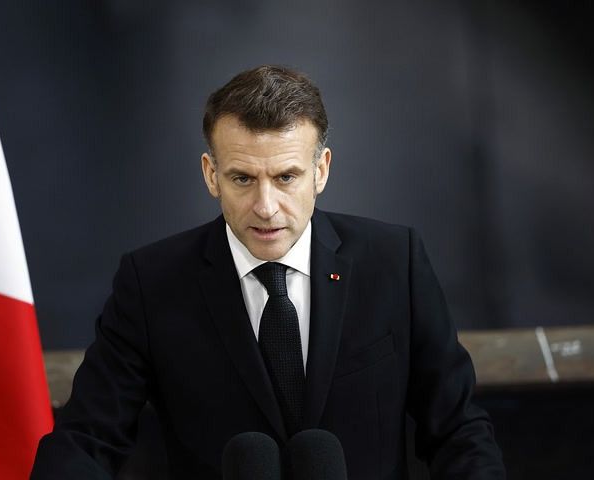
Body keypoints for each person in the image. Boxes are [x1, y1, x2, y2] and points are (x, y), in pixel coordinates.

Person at [31, 65, 505, 479]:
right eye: (242, 178)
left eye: (286, 177)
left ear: (321, 171)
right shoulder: (151, 282)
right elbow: (87, 440)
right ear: (211, 174)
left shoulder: (394, 262)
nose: (266, 206)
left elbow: (458, 430)